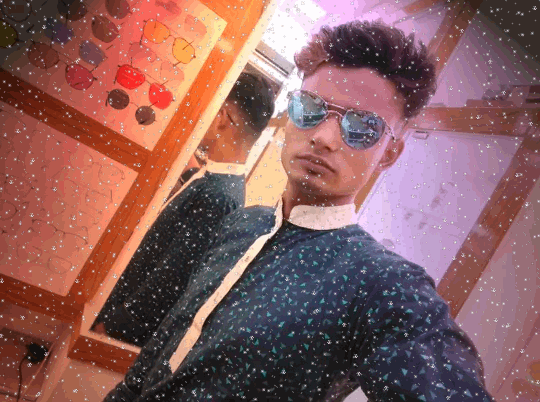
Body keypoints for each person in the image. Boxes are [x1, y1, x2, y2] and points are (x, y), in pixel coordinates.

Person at [104, 21, 494, 401]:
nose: (324, 138)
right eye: (310, 108)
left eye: (362, 127)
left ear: (389, 153)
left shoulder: (381, 284)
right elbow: (161, 351)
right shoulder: (241, 223)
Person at [93, 71, 276, 347]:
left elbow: (168, 282)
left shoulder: (218, 197)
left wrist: (113, 327)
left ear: (222, 118)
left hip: (117, 328)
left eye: (210, 109)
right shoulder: (218, 181)